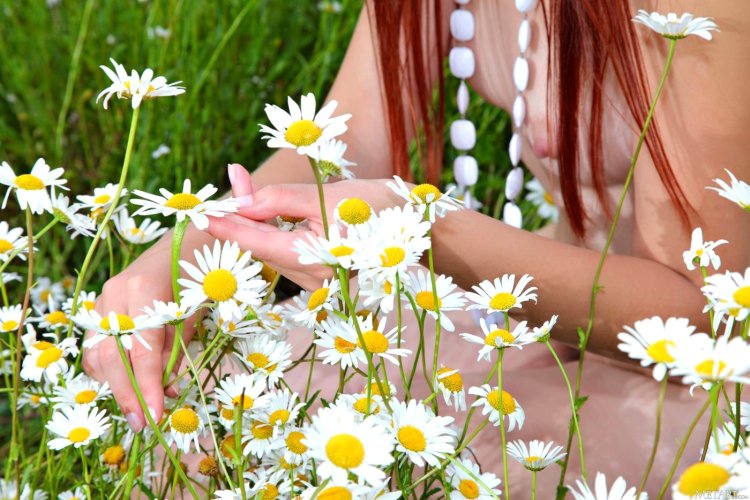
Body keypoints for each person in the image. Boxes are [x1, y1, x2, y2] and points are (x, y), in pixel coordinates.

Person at [82, 0, 750, 494]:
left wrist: (427, 229)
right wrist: (185, 251)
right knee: (217, 417)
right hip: (540, 320)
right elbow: (337, 146)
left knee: (454, 473)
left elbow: (709, 311)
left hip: (713, 376)